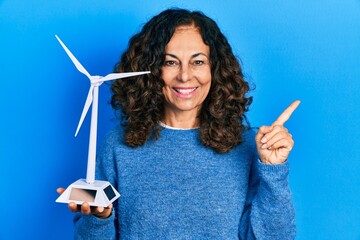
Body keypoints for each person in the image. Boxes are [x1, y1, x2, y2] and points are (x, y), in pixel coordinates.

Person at [58, 8, 299, 239]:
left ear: (215, 69)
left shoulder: (245, 146)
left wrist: (273, 170)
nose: (184, 76)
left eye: (198, 62)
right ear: (151, 70)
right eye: (170, 62)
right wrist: (99, 219)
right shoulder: (119, 145)